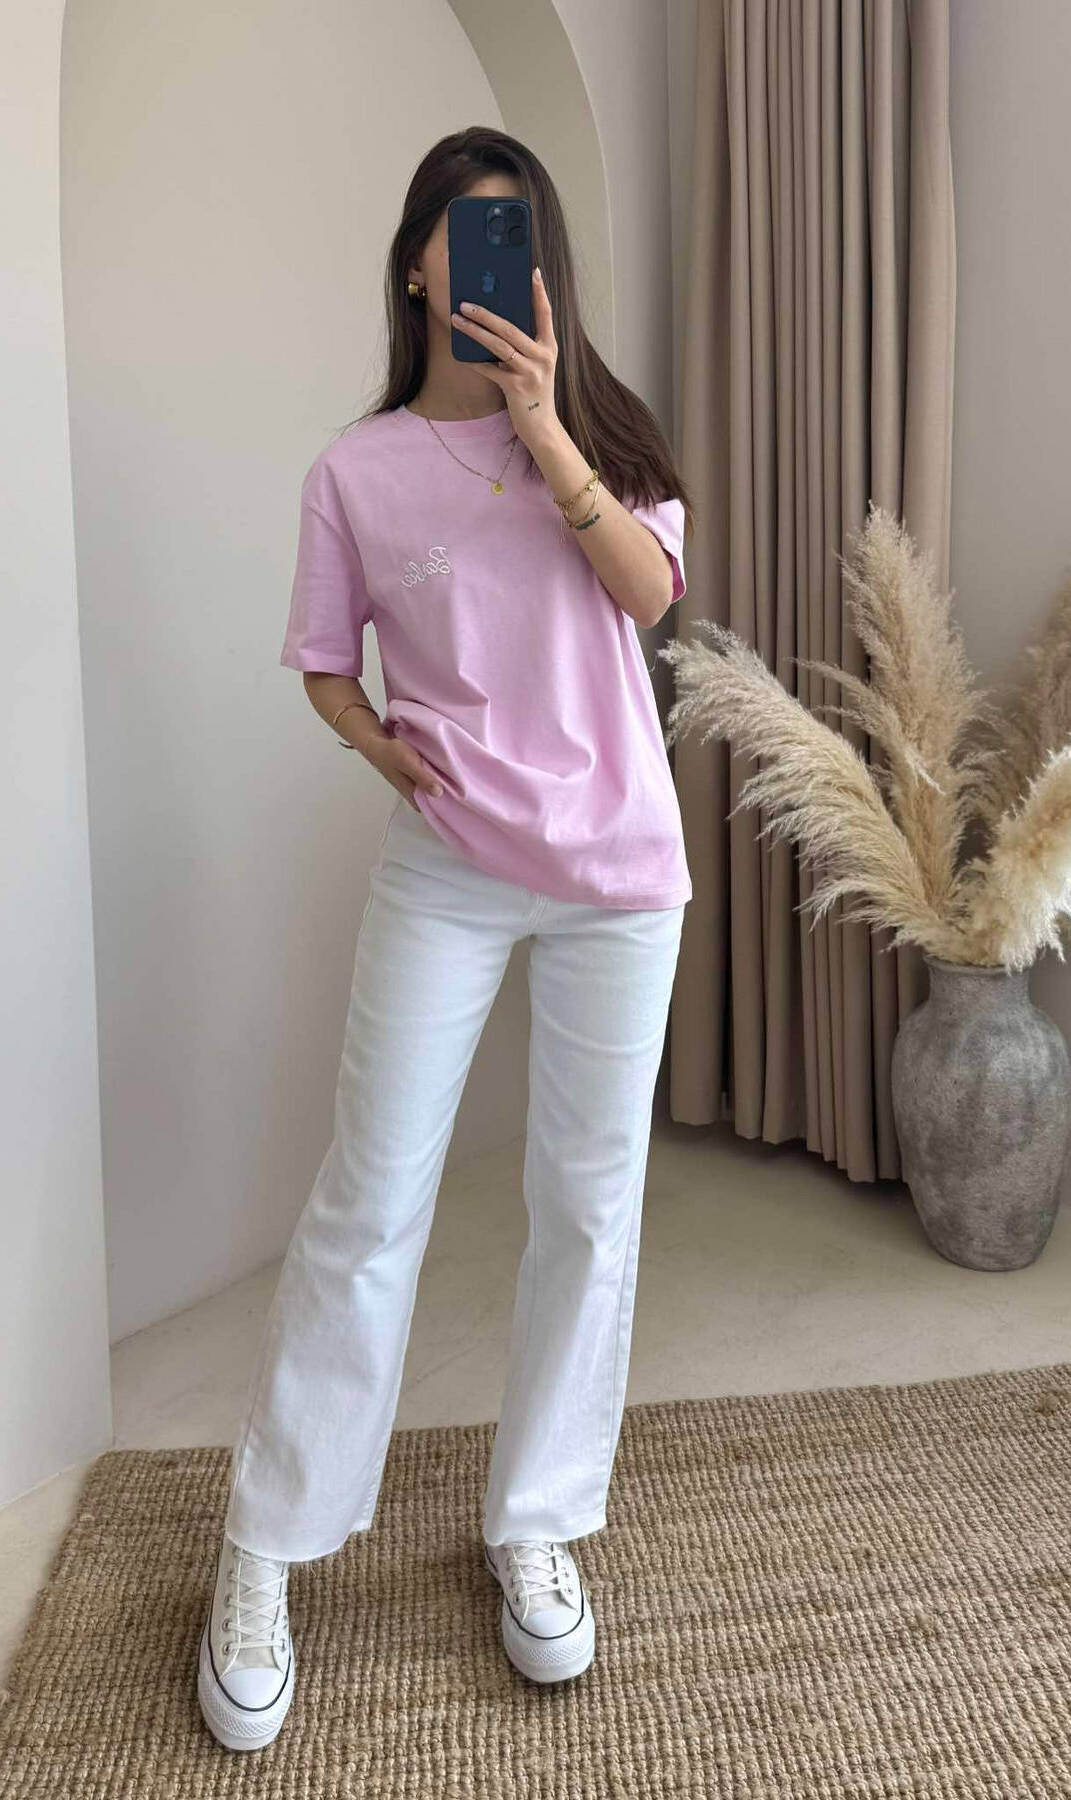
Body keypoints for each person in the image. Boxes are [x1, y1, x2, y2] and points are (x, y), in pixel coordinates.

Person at [197, 126, 694, 1752]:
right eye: (471, 233)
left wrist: (547, 432)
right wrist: (374, 744)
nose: (496, 260)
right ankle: (266, 1547)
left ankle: (534, 1523)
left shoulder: (604, 431)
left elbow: (650, 598)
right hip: (451, 866)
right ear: (416, 261)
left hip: (618, 871)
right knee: (370, 1202)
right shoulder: (354, 472)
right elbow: (323, 661)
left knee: (587, 1209)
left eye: (521, 235)